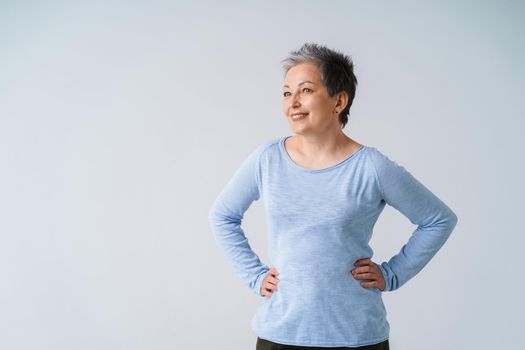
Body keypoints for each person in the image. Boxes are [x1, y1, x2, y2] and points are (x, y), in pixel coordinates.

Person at [208, 42, 458, 350]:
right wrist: (255, 276)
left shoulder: (371, 167)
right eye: (287, 93)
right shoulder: (267, 159)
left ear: (339, 101)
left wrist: (392, 274)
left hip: (357, 337)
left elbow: (438, 219)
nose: (293, 102)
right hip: (280, 335)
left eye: (306, 91)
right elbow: (222, 216)